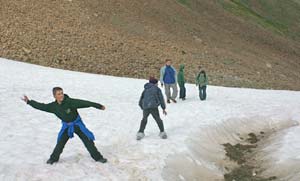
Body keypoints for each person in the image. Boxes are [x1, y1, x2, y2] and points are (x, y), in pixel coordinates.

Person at [21, 87, 107, 164]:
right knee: (60, 143)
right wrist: (29, 102)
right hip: (67, 126)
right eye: (59, 94)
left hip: (77, 124)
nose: (61, 95)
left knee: (88, 141)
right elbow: (42, 106)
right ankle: (53, 159)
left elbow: (85, 103)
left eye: (62, 93)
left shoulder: (70, 102)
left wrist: (98, 106)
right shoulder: (53, 106)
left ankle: (98, 158)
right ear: (55, 96)